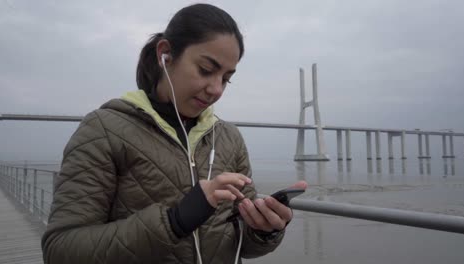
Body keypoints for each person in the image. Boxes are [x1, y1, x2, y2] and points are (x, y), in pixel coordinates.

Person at [41, 3, 307, 264]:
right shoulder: (103, 130)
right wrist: (175, 220)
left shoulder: (229, 138)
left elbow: (243, 245)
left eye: (226, 78)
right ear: (165, 54)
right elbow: (61, 250)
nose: (216, 89)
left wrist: (265, 229)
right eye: (206, 70)